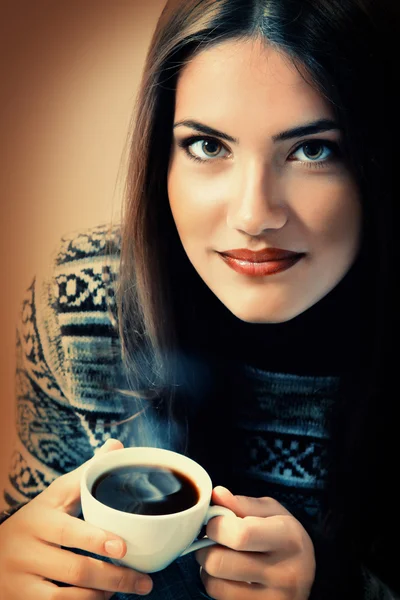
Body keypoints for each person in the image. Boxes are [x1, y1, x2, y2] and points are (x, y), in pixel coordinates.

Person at [0, 0, 399, 598]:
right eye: (209, 146)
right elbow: (28, 516)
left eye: (312, 150)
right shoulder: (81, 303)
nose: (252, 216)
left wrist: (333, 589)